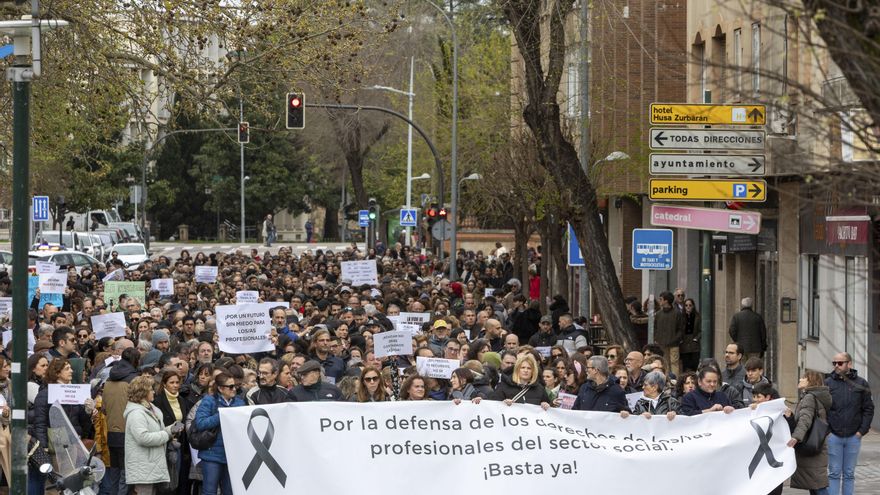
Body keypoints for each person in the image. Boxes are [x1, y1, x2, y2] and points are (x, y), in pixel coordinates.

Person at [825, 352, 874, 495]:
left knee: (849, 473)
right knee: (833, 473)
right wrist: (828, 432)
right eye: (834, 363)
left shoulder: (861, 383)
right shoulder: (828, 383)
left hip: (854, 436)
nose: (836, 366)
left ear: (849, 364)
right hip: (834, 436)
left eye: (840, 363)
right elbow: (822, 408)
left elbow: (868, 409)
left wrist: (861, 431)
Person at [124, 375, 182, 495]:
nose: (154, 391)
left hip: (152, 465)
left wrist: (171, 428)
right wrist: (167, 434)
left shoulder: (151, 409)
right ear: (143, 392)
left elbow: (157, 431)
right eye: (151, 389)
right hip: (143, 467)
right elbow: (143, 438)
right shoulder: (136, 413)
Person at [194, 371, 246, 495]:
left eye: (235, 386)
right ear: (221, 388)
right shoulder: (209, 401)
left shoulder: (239, 403)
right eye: (231, 386)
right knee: (210, 491)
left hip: (232, 455)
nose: (234, 389)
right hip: (212, 454)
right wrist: (222, 415)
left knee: (229, 491)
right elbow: (200, 423)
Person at [788, 370, 832, 495]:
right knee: (814, 486)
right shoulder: (813, 397)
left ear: (810, 381)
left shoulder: (809, 397)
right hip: (815, 445)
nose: (800, 379)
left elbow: (805, 420)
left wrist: (796, 437)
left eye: (803, 378)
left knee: (818, 486)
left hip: (810, 445)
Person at [483, 354, 550, 408]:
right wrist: (502, 403)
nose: (525, 370)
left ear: (533, 371)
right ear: (517, 369)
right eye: (523, 367)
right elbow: (492, 406)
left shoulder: (540, 389)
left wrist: (546, 405)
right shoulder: (503, 386)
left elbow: (549, 412)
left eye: (529, 368)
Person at [653, 291, 684, 375]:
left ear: (666, 301)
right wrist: (656, 339)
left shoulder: (677, 313)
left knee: (674, 363)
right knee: (665, 363)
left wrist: (675, 340)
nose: (659, 301)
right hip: (662, 343)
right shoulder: (658, 314)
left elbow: (681, 329)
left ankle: (675, 382)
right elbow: (655, 328)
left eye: (661, 299)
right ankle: (667, 380)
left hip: (674, 344)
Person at [680, 298, 701, 372]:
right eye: (686, 305)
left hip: (694, 344)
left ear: (693, 306)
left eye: (690, 305)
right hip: (684, 344)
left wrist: (696, 338)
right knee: (685, 365)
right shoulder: (681, 317)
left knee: (694, 364)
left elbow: (700, 330)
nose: (688, 307)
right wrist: (680, 339)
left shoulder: (697, 317)